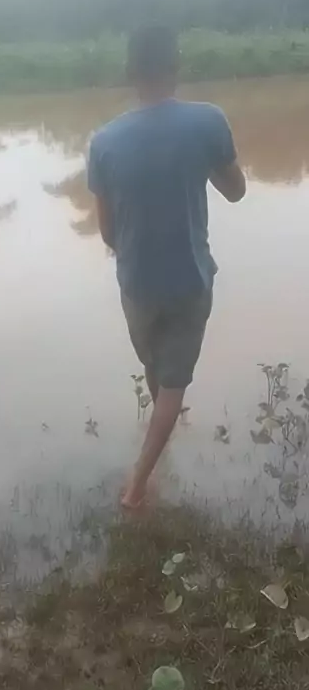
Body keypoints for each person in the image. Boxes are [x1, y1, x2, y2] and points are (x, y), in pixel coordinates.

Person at [87, 25, 246, 510]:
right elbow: (236, 191)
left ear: (130, 73)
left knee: (157, 368)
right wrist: (204, 160)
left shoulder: (104, 141)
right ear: (176, 68)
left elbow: (107, 233)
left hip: (135, 283)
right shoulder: (208, 121)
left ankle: (163, 428)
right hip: (190, 279)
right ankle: (137, 488)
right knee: (174, 382)